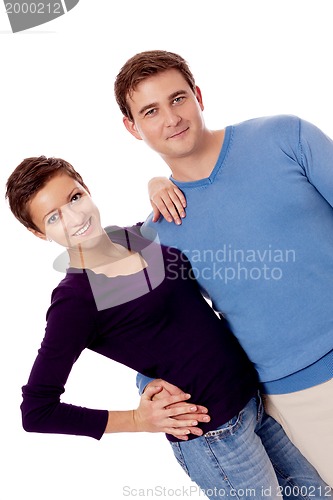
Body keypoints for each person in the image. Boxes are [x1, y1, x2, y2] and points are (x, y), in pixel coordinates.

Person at [5, 156, 330, 500]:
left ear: (86, 188)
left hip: (254, 401)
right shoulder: (75, 300)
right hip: (214, 435)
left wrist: (158, 181)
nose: (74, 218)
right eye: (53, 217)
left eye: (74, 198)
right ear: (38, 233)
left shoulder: (136, 237)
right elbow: (37, 410)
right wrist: (136, 420)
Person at [114, 50, 333, 488]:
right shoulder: (158, 234)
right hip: (292, 395)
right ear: (132, 128)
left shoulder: (286, 137)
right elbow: (163, 331)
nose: (171, 118)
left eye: (178, 99)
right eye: (151, 111)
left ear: (198, 96)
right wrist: (150, 389)